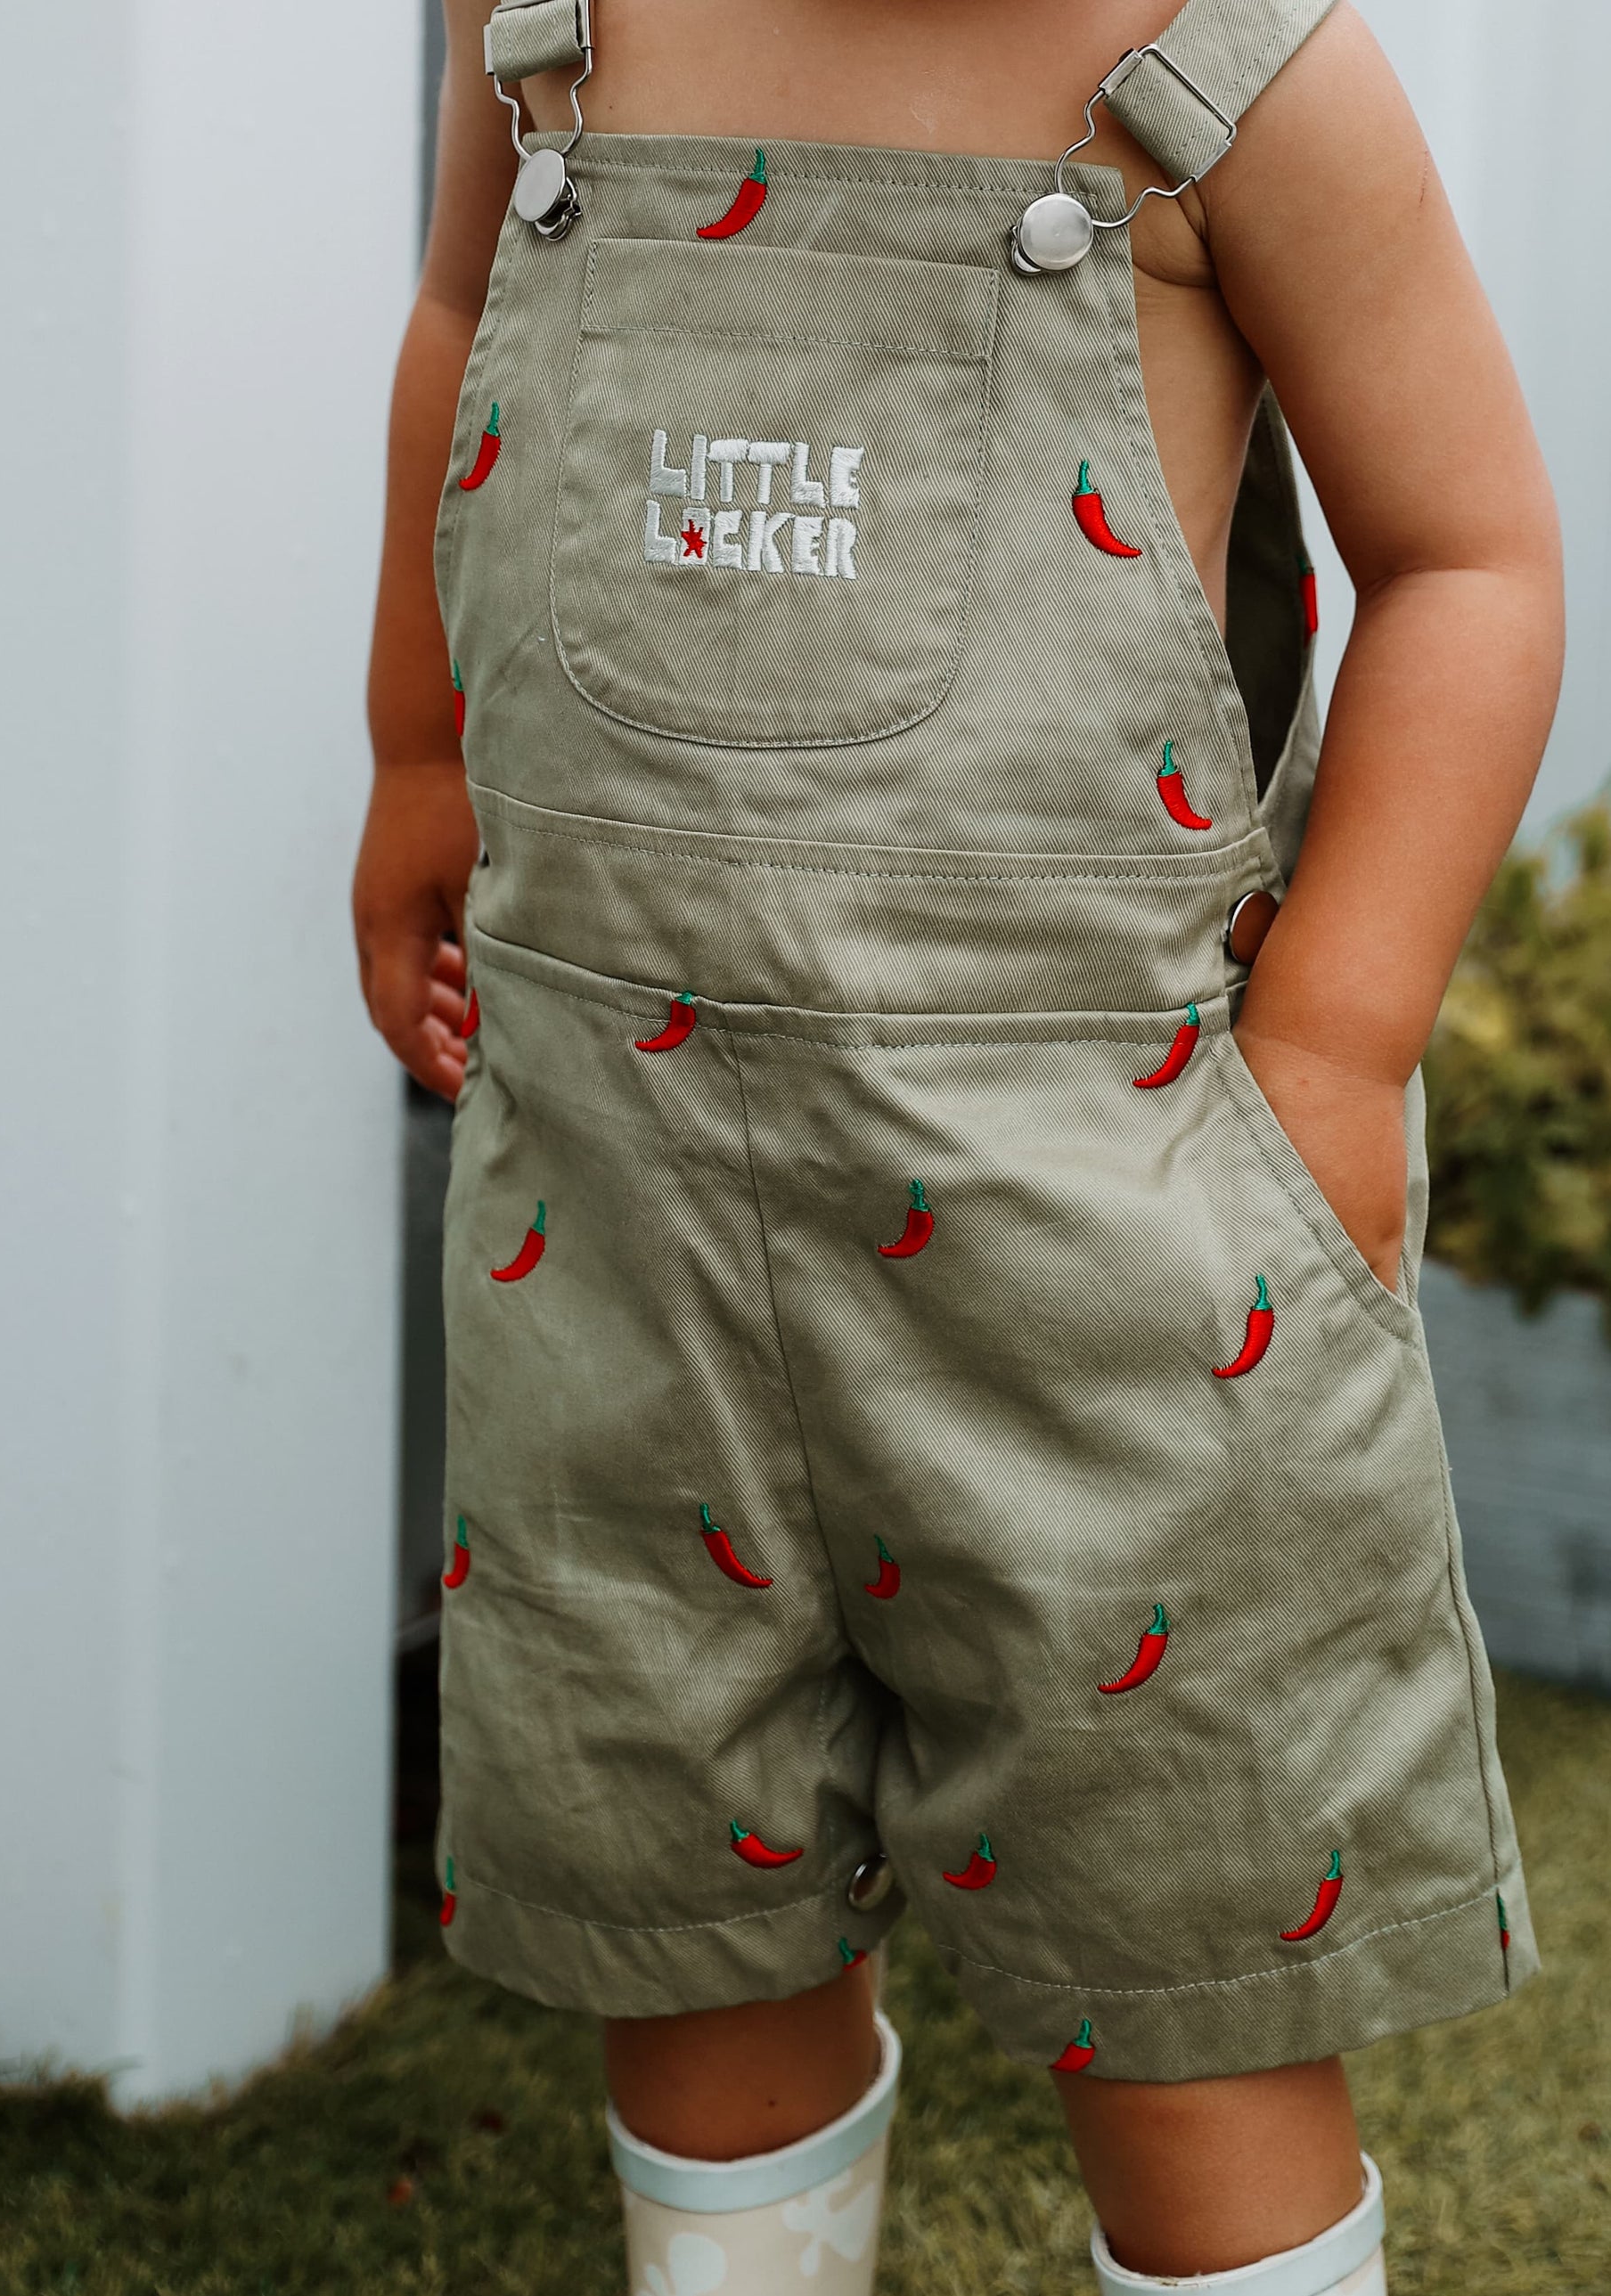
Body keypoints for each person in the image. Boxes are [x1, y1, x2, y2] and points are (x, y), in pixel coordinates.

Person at [354, 2, 1563, 2288]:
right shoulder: (552, 29)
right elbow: (455, 323)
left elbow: (1470, 555)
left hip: (1094, 1237)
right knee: (684, 1893)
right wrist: (418, 755)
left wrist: (1330, 1046)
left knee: (1188, 1930)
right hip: (615, 1203)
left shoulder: (1233, 74)